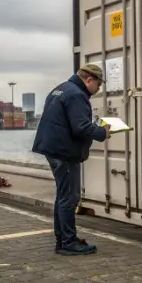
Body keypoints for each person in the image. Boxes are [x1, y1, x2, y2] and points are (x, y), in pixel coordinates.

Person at [32, 63, 110, 256]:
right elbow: (81, 127)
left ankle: (63, 239)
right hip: (63, 152)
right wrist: (102, 132)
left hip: (53, 148)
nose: (98, 90)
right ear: (89, 79)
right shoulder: (77, 94)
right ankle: (68, 242)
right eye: (98, 85)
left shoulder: (60, 89)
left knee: (63, 196)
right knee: (69, 197)